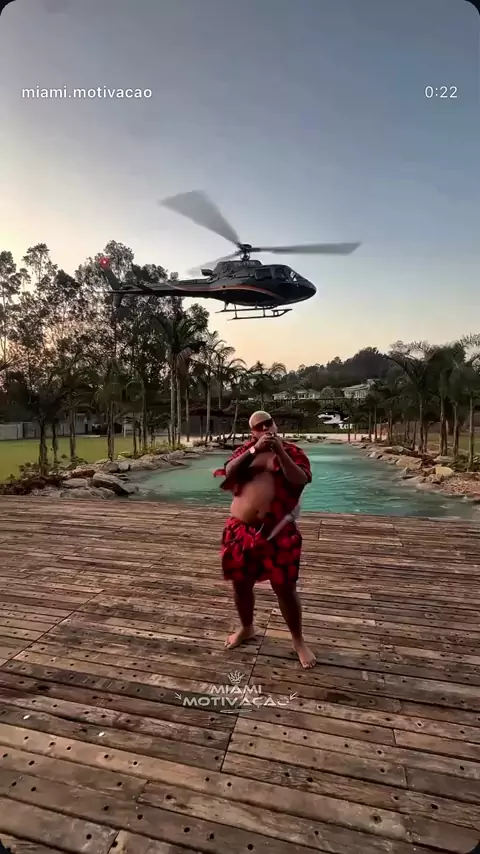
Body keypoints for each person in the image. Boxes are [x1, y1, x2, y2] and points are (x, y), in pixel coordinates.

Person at [214, 410, 316, 668]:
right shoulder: (245, 451)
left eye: (268, 423)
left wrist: (279, 452)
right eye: (259, 426)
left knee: (285, 588)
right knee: (240, 584)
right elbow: (229, 472)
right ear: (253, 432)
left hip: (278, 532)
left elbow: (301, 479)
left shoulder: (293, 452)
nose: (265, 429)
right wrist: (254, 450)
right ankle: (247, 627)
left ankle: (298, 641)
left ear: (275, 425)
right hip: (239, 532)